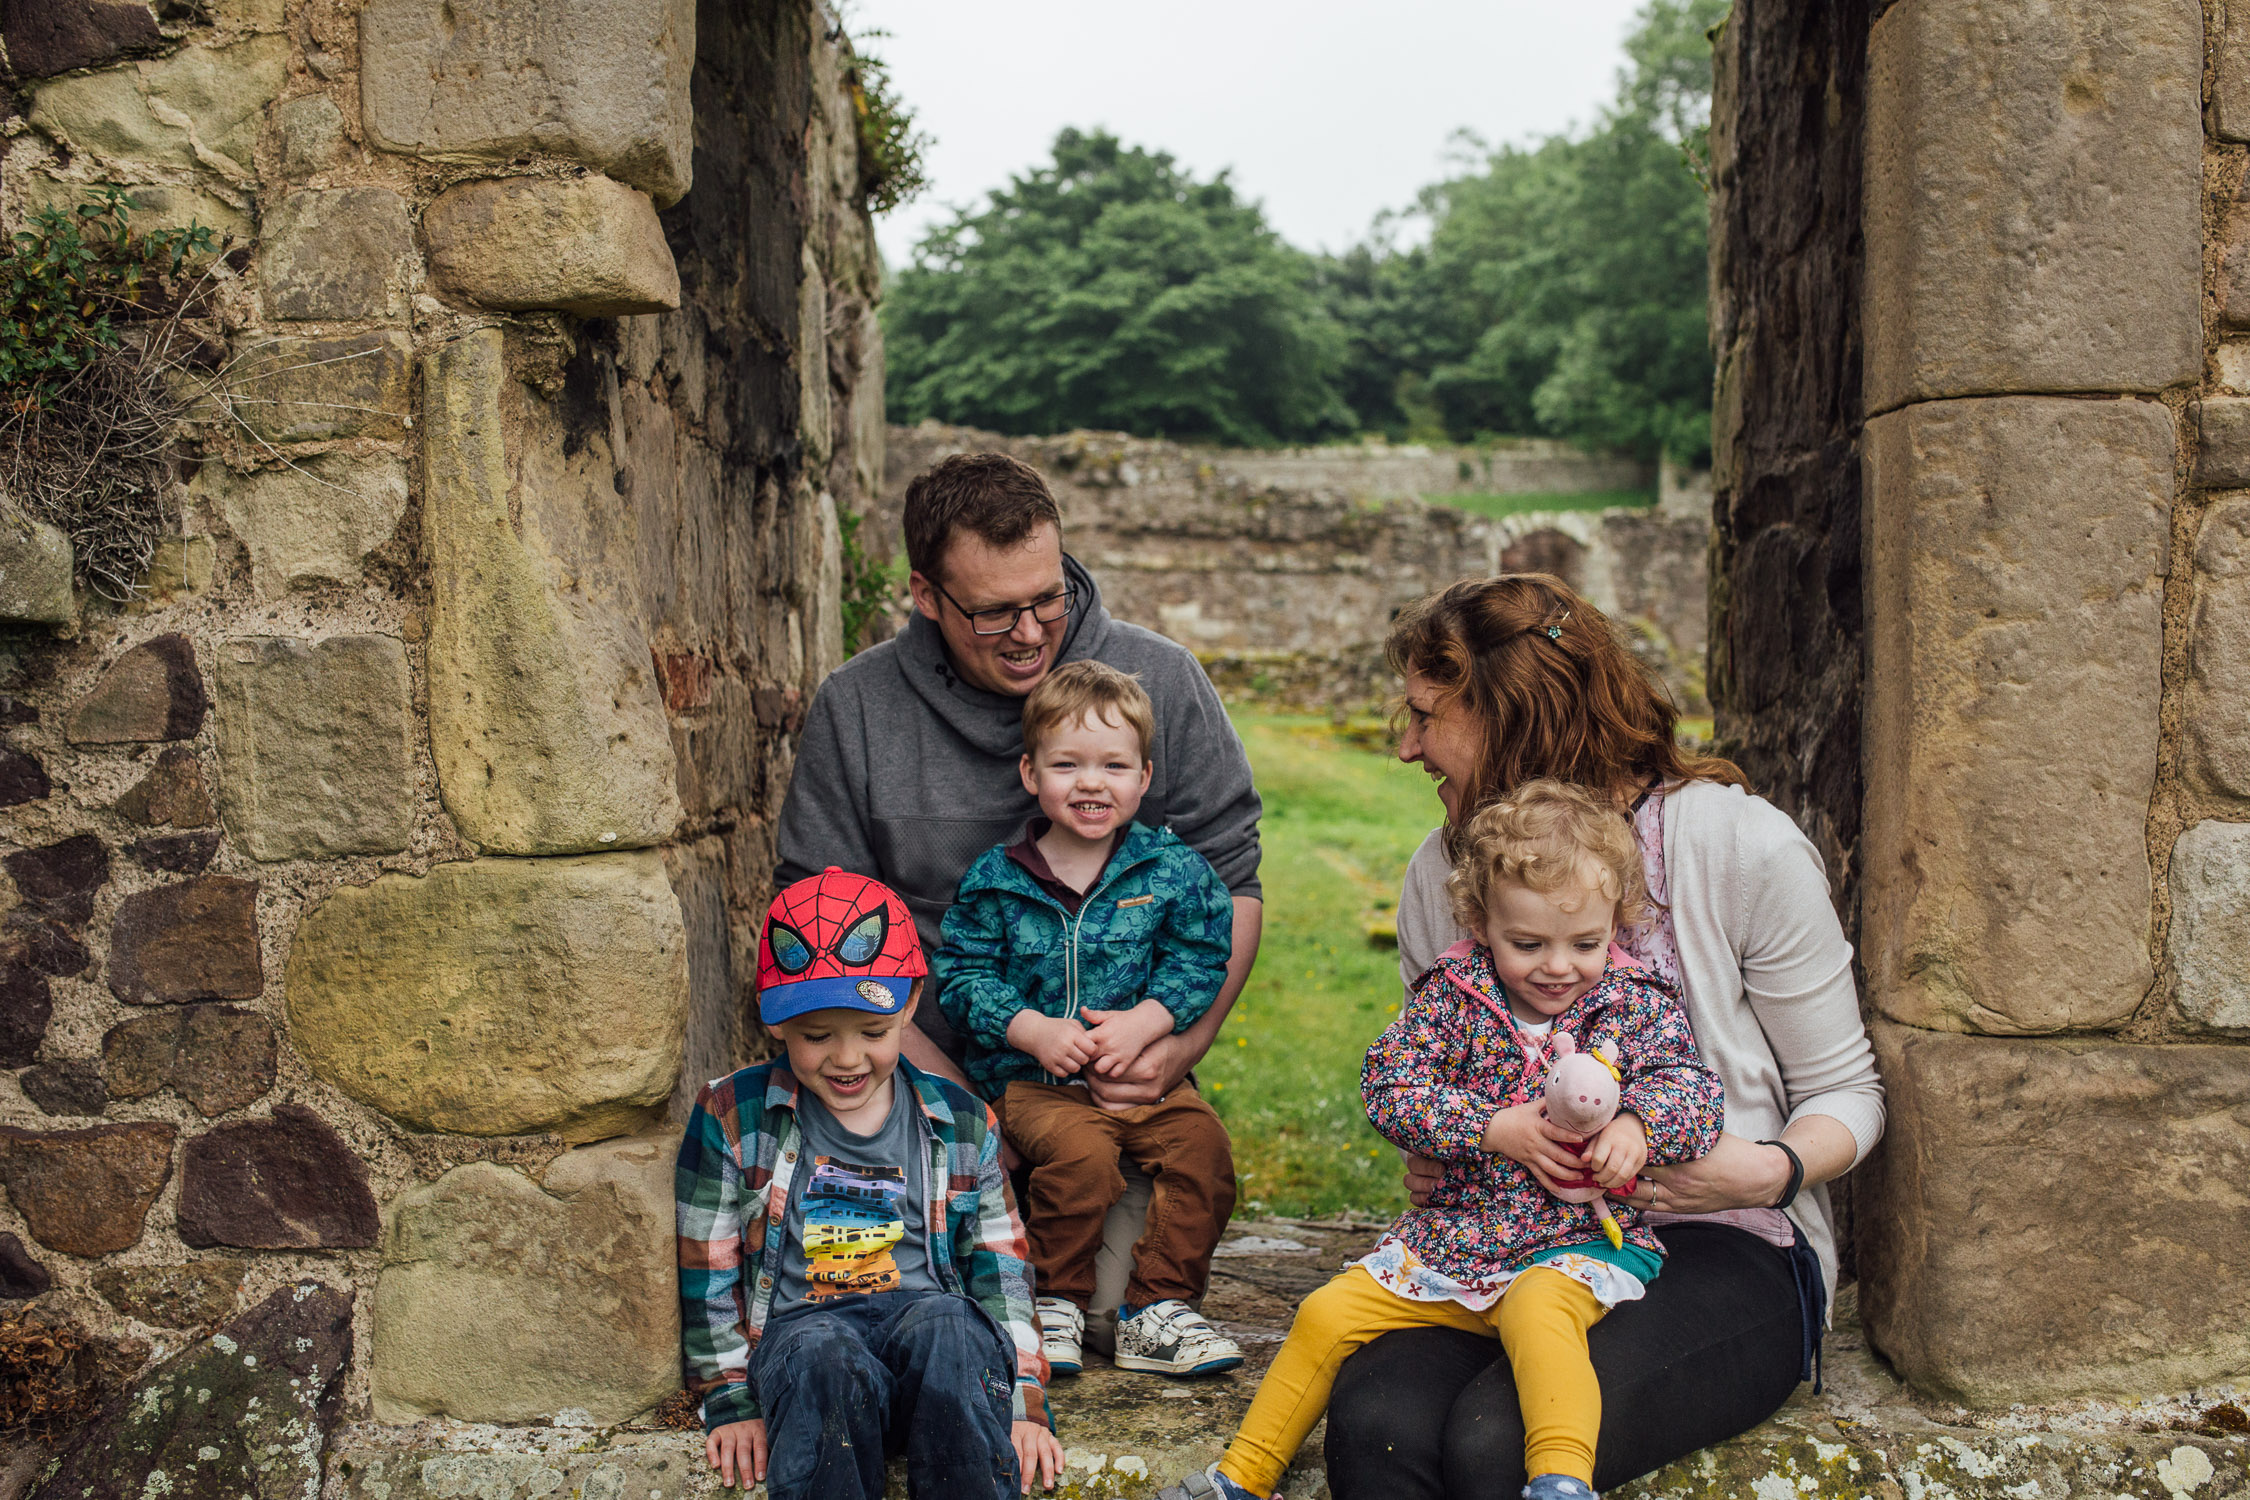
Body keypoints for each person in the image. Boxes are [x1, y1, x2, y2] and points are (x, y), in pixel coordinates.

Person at [1322, 574, 1885, 1500]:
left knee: (1494, 1443)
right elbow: (1438, 1079)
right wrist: (1446, 1142)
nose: (1409, 747)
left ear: (1515, 719)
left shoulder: (1739, 847)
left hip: (1724, 1240)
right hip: (1500, 1236)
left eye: (1429, 717)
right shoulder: (1446, 871)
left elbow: (1849, 1091)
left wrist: (1770, 1170)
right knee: (1376, 1428)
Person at [776, 451, 1264, 1329]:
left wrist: (1181, 1044)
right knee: (903, 1307)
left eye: (1049, 598)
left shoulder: (1162, 680)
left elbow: (1232, 880)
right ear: (927, 595)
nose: (1033, 632)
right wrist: (951, 1114)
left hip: (1107, 1098)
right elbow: (821, 939)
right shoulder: (857, 708)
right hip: (908, 1082)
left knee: (1109, 1308)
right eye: (996, 612)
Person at [1165, 781, 1722, 1500]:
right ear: (1480, 920)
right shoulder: (1454, 997)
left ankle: (1559, 1481)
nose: (1558, 966)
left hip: (1571, 1240)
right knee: (1326, 1313)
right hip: (1454, 1242)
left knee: (1539, 1310)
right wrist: (1490, 1126)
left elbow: (1694, 1091)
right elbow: (1388, 1084)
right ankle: (1240, 1477)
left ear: (1615, 922)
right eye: (1528, 943)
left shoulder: (1635, 1004)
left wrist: (1637, 1126)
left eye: (1585, 943)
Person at [678, 868, 1066, 1500]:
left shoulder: (962, 1121)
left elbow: (1001, 1269)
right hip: (805, 1342)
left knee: (954, 1327)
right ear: (775, 1021)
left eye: (873, 1031)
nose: (847, 1057)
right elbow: (708, 1267)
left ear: (910, 1004)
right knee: (821, 1353)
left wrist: (1022, 1405)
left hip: (928, 1343)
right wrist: (730, 1400)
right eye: (816, 1035)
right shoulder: (734, 1114)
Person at [937, 661, 1244, 1381]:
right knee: (1081, 1160)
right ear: (1029, 773)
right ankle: (1056, 1300)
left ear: (1142, 777)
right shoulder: (997, 880)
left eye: (1113, 765)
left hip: (1145, 1083)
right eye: (1067, 764)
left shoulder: (1170, 872)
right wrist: (1027, 1027)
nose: (1091, 783)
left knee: (1205, 1150)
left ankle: (1156, 1309)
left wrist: (1149, 1021)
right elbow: (959, 975)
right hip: (1034, 1086)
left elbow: (1203, 954)